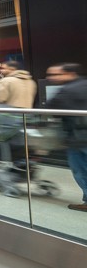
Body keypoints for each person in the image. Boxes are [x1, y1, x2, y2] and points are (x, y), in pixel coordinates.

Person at [44, 63, 87, 211]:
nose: (51, 78)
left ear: (70, 74)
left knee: (80, 170)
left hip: (78, 137)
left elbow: (50, 109)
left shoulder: (67, 90)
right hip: (80, 135)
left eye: (56, 75)